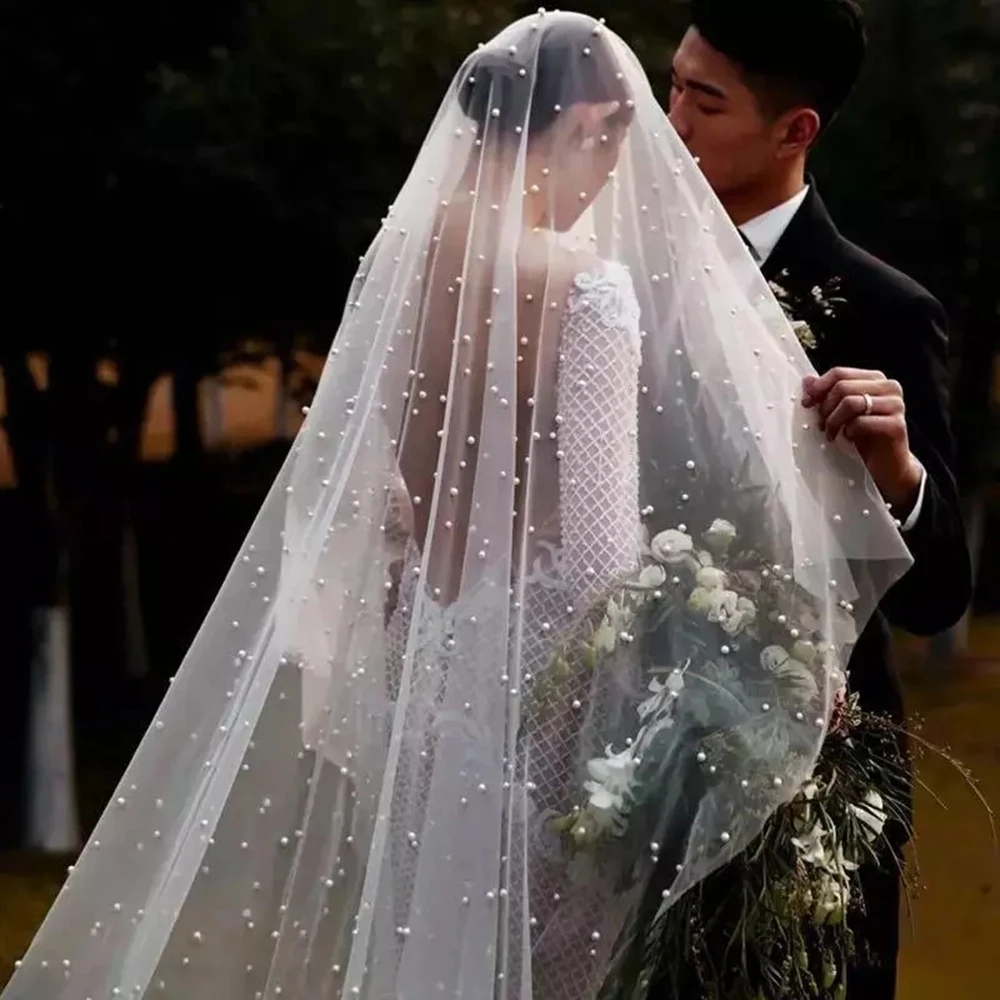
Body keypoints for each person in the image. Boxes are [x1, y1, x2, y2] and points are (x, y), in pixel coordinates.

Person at [2, 11, 912, 999]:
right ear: (592, 125)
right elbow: (596, 562)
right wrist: (694, 680)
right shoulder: (583, 288)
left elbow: (376, 500)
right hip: (547, 708)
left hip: (430, 675)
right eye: (619, 144)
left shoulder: (400, 264)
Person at [667, 0, 972, 995]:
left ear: (795, 129)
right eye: (671, 84)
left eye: (702, 103)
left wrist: (899, 477)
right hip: (626, 788)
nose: (670, 122)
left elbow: (936, 603)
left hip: (811, 800)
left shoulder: (884, 311)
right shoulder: (618, 283)